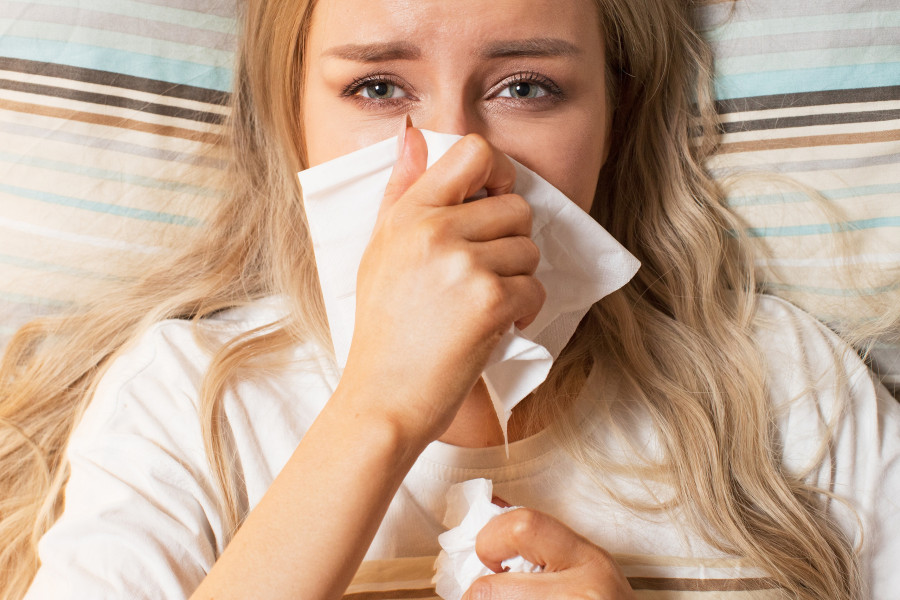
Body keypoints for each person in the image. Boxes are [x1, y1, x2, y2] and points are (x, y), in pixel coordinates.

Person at [2, 0, 898, 599]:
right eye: (379, 88)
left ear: (614, 119)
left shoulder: (787, 391)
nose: (458, 158)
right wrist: (378, 409)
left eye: (525, 87)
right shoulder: (190, 401)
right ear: (292, 116)